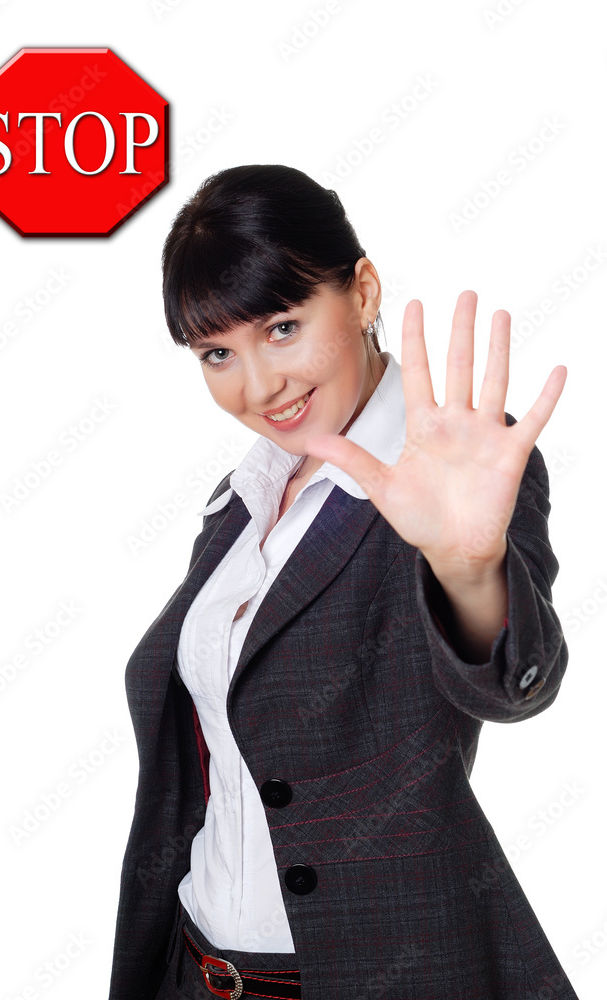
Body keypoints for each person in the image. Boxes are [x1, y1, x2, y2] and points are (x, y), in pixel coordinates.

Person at [107, 164, 578, 1000]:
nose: (258, 387)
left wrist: (467, 569)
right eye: (218, 352)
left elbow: (513, 688)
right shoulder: (245, 498)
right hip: (196, 969)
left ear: (361, 292)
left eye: (282, 327)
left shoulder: (457, 473)